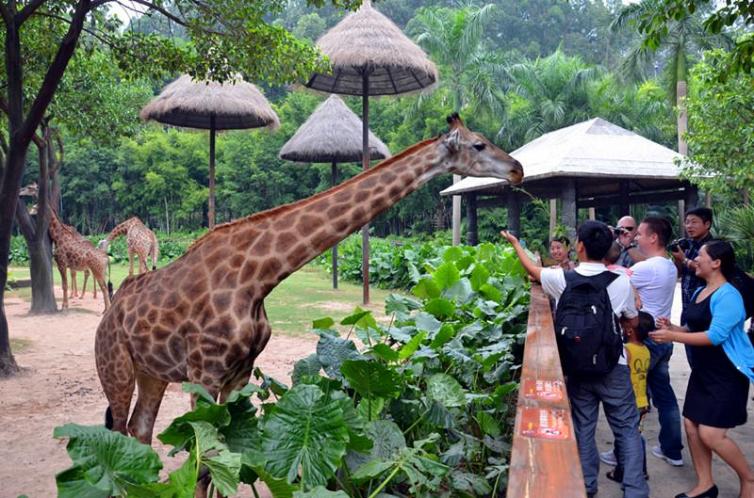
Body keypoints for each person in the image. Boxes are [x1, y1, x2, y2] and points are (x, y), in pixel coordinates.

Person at [501, 221, 649, 498]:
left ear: (579, 246)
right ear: (608, 248)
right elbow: (632, 318)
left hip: (577, 367)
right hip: (612, 366)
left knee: (583, 426)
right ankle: (635, 490)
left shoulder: (562, 279)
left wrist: (515, 244)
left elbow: (532, 270)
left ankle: (587, 485)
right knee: (627, 429)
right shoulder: (621, 281)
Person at [651, 241, 754, 498]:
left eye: (701, 256)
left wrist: (672, 338)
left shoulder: (729, 295)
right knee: (692, 425)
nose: (695, 260)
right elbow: (693, 329)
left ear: (716, 263)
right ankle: (706, 484)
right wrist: (674, 327)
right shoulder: (700, 291)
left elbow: (715, 336)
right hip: (704, 371)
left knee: (711, 433)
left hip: (727, 373)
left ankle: (749, 480)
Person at [631, 217, 684, 467]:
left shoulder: (646, 268)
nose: (636, 237)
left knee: (630, 398)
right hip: (664, 339)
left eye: (640, 234)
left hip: (645, 341)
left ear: (653, 237)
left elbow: (614, 284)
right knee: (664, 396)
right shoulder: (670, 265)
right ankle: (672, 450)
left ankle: (626, 453)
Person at [605, 311, 653, 484]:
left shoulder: (626, 350)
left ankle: (638, 471)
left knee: (628, 436)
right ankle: (623, 469)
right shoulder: (646, 350)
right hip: (642, 400)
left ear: (629, 330)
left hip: (629, 399)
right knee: (632, 434)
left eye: (624, 325)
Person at [671, 207, 714, 367]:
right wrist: (677, 258)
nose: (689, 226)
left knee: (705, 359)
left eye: (694, 222)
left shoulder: (714, 246)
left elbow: (707, 270)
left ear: (707, 224)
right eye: (687, 222)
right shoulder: (687, 244)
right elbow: (679, 272)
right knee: (693, 359)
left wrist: (684, 259)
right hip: (688, 308)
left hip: (706, 311)